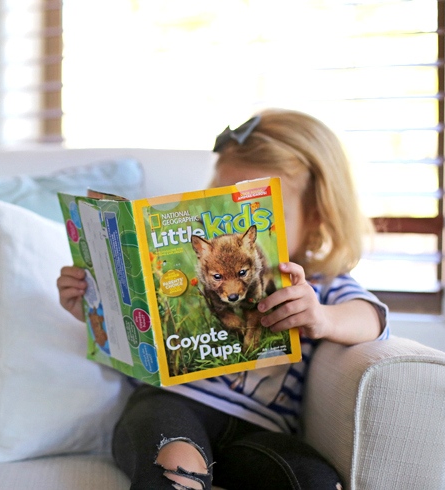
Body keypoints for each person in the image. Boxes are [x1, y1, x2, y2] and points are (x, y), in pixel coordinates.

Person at [56, 108, 389, 490]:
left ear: (316, 214)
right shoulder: (197, 272)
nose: (233, 219)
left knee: (314, 479)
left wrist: (325, 318)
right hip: (169, 404)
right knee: (176, 465)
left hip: (260, 428)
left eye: (254, 208)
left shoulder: (316, 285)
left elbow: (373, 319)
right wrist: (96, 305)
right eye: (223, 202)